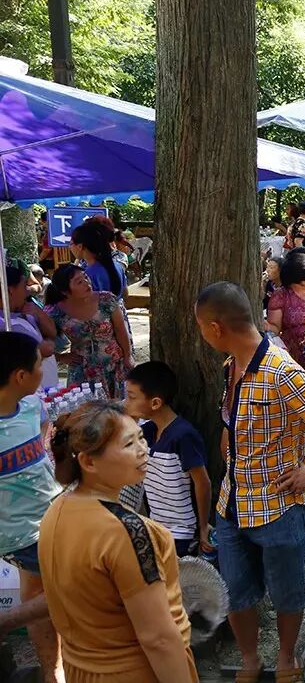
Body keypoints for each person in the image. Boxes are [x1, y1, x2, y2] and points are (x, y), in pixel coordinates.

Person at [195, 282, 305, 681]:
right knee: (235, 590)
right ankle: (250, 659)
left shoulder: (281, 371)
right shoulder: (231, 367)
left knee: (287, 592)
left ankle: (286, 657)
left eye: (201, 328)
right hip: (232, 504)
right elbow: (230, 420)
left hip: (278, 505)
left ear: (215, 328)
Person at [39, 402, 198, 682]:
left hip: (81, 670)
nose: (143, 449)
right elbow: (158, 639)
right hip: (135, 672)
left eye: (141, 437)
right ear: (89, 462)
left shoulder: (56, 510)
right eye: (128, 444)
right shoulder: (128, 531)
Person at [0, 333, 62, 682]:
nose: (44, 368)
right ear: (20, 376)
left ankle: (52, 672)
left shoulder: (32, 406)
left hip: (51, 516)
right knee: (70, 591)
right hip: (20, 534)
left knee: (35, 597)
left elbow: (41, 437)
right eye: (40, 364)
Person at [126, 362, 212, 560]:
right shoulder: (147, 432)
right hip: (158, 526)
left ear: (155, 403)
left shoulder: (183, 436)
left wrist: (203, 527)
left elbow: (203, 483)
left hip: (182, 532)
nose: (126, 403)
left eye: (132, 397)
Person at [44, 264, 132, 397]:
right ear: (65, 291)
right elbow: (40, 341)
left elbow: (120, 329)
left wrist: (128, 356)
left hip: (114, 365)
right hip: (83, 371)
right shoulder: (55, 311)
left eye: (86, 277)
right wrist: (60, 357)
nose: (86, 283)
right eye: (79, 282)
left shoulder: (106, 299)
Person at [4, 264, 58, 389]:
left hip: (45, 388)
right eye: (24, 287)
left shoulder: (25, 311)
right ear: (10, 291)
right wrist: (48, 342)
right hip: (29, 394)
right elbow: (46, 349)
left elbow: (52, 332)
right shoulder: (4, 324)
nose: (28, 291)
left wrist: (38, 313)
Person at [70, 219, 126, 300]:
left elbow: (83, 301)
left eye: (71, 243)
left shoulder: (86, 275)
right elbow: (125, 294)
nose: (70, 247)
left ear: (80, 246)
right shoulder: (118, 266)